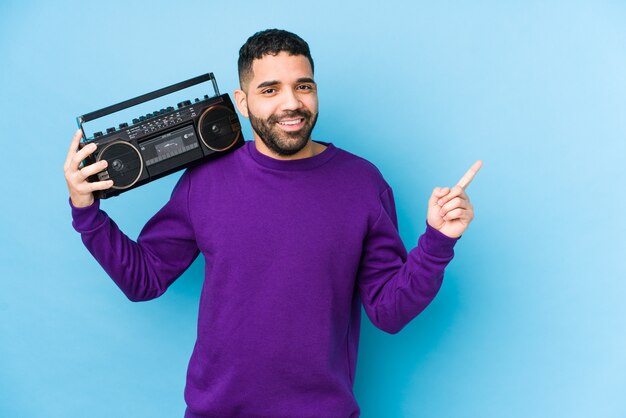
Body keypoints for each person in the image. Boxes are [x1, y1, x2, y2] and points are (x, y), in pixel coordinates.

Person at [64, 29, 481, 418]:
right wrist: (87, 212)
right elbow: (143, 279)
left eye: (304, 86)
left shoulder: (362, 184)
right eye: (270, 89)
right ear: (242, 102)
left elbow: (389, 312)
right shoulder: (205, 180)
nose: (291, 103)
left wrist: (437, 242)